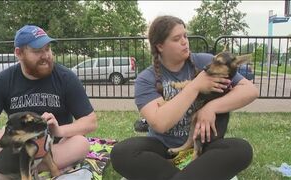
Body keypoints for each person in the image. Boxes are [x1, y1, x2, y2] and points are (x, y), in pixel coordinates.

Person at [110, 15, 259, 180]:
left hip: (204, 148)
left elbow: (250, 90)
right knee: (121, 152)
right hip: (164, 149)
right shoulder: (146, 79)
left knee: (241, 149)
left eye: (185, 36)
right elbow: (160, 123)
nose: (184, 42)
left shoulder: (206, 61)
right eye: (176, 38)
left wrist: (211, 107)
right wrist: (195, 85)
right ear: (160, 46)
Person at [0, 25, 97, 178]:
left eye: (48, 48)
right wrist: (11, 137)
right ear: (19, 53)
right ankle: (19, 169)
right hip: (15, 152)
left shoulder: (66, 78)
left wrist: (59, 130)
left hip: (53, 149)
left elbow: (90, 122)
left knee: (81, 144)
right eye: (37, 51)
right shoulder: (3, 81)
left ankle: (2, 172)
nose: (46, 55)